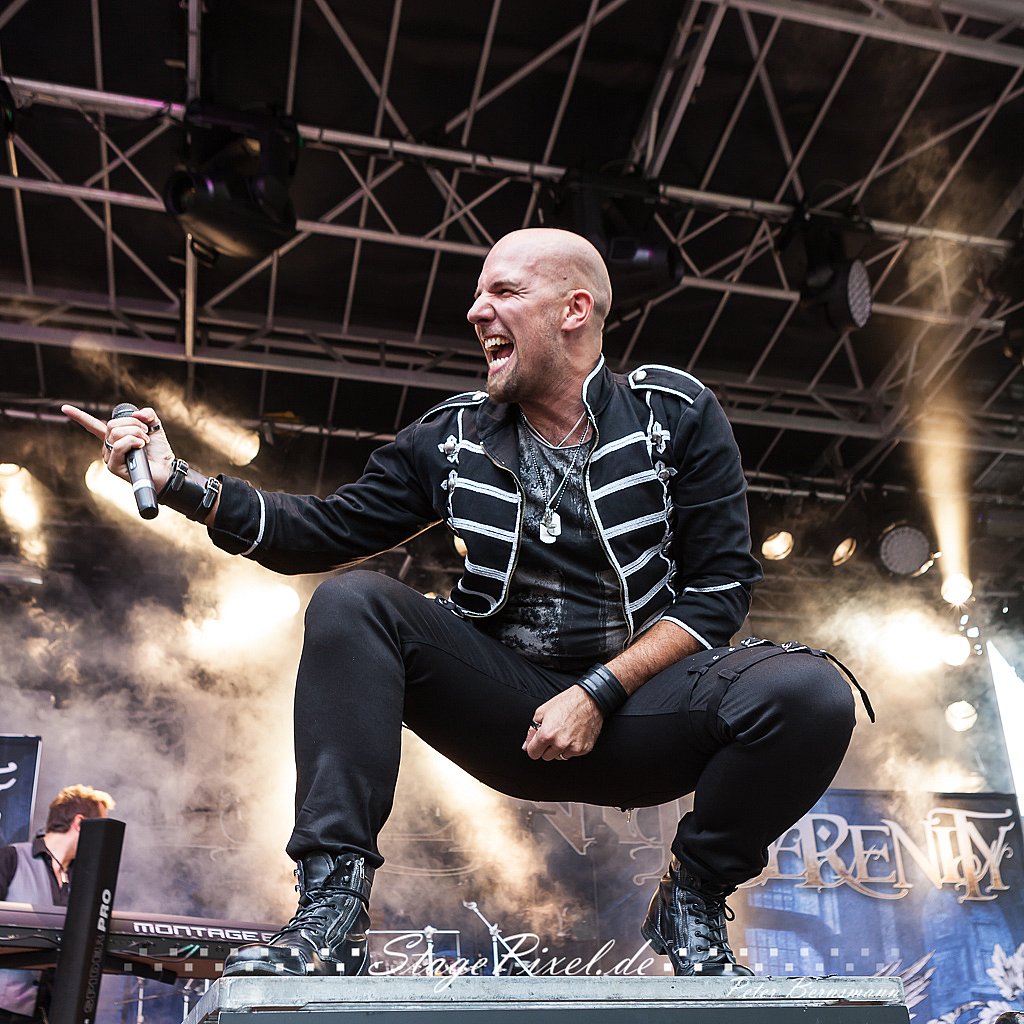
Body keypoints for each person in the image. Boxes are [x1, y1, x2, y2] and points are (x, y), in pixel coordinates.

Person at [62, 228, 868, 980]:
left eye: (503, 292)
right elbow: (320, 532)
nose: (477, 311)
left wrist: (598, 691)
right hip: (511, 712)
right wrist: (179, 483)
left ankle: (693, 893)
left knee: (811, 692)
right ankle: (331, 914)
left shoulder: (675, 413)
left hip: (644, 712)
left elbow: (720, 590)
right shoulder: (449, 439)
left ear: (574, 309)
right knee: (354, 602)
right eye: (479, 295)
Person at [0, 785, 115, 1022]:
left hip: (51, 1011)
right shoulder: (12, 858)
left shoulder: (83, 879)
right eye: (100, 827)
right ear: (80, 823)